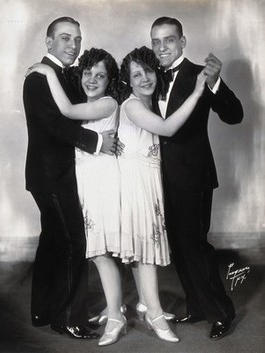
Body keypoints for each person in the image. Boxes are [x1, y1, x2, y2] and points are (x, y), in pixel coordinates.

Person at [23, 17, 120, 340]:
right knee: (72, 242)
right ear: (49, 43)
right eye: (65, 38)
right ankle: (68, 318)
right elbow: (54, 124)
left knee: (53, 240)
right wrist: (96, 143)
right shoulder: (39, 77)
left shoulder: (65, 76)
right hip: (51, 175)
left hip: (54, 174)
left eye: (77, 39)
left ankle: (43, 309)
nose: (73, 45)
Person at [150, 16, 244, 340]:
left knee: (195, 247)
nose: (162, 47)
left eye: (169, 40)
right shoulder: (151, 76)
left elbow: (235, 115)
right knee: (178, 246)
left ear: (182, 42)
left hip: (194, 177)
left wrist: (216, 82)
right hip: (161, 178)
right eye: (156, 41)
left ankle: (221, 313)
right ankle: (198, 306)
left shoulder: (198, 75)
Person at [117, 46, 206, 342]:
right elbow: (167, 129)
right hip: (135, 184)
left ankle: (144, 302)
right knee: (144, 251)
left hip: (148, 181)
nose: (145, 78)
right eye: (137, 74)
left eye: (149, 71)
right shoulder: (132, 105)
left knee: (142, 247)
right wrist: (196, 93)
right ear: (128, 81)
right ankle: (155, 314)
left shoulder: (149, 102)